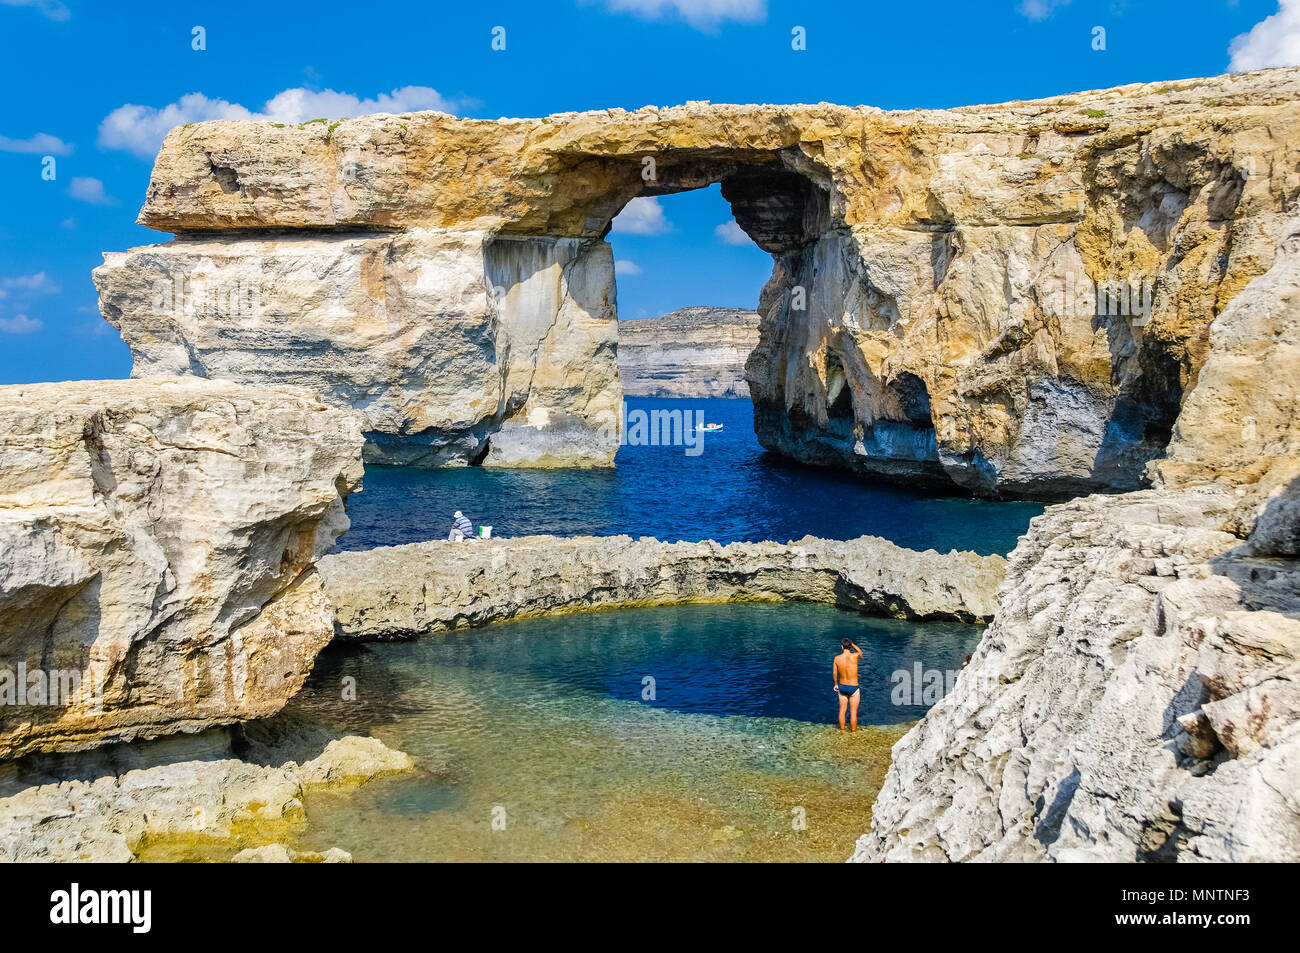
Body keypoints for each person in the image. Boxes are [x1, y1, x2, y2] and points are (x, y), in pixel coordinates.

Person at [833, 639, 862, 732]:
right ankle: (853, 732)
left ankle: (842, 730)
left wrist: (836, 684)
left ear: (842, 647)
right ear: (850, 646)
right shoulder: (855, 656)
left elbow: (834, 673)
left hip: (842, 687)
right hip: (854, 687)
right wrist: (852, 643)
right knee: (853, 713)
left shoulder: (837, 658)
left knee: (842, 710)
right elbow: (860, 652)